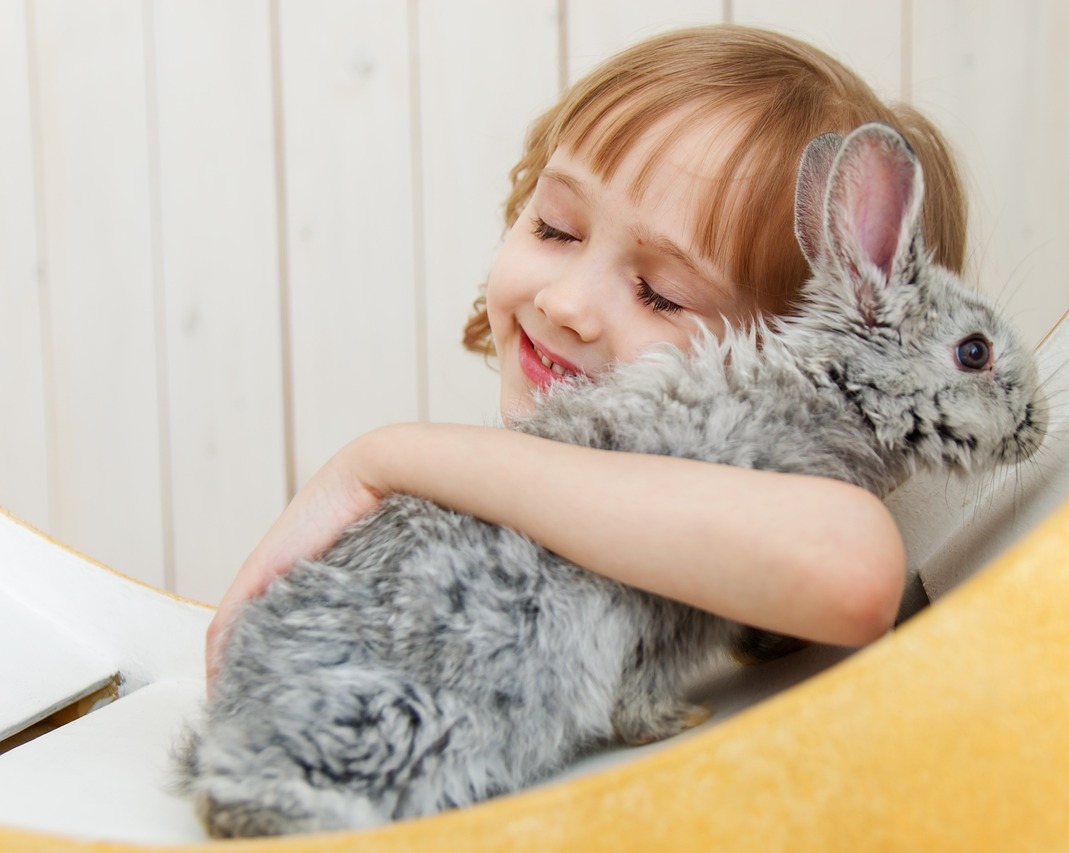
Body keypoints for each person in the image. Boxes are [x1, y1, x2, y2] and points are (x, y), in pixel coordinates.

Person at [206, 24, 969, 686]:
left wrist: (384, 458)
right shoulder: (525, 517)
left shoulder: (772, 551)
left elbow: (857, 568)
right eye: (555, 229)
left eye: (662, 294)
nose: (565, 304)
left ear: (800, 371)